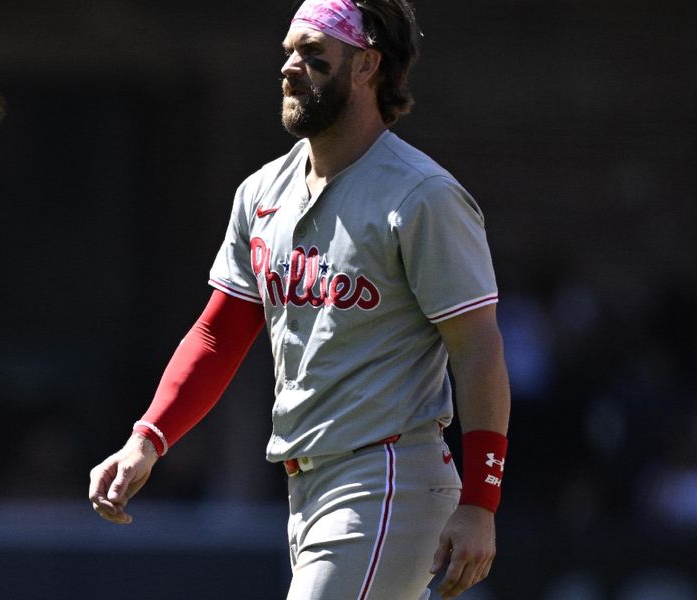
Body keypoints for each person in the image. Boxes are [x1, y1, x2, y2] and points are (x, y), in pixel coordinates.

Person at [88, 1, 511, 598]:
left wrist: (481, 502)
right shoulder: (262, 191)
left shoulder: (422, 196)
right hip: (306, 485)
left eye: (314, 55)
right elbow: (218, 334)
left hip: (388, 475)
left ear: (366, 66)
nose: (290, 67)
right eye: (288, 51)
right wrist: (147, 439)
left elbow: (478, 351)